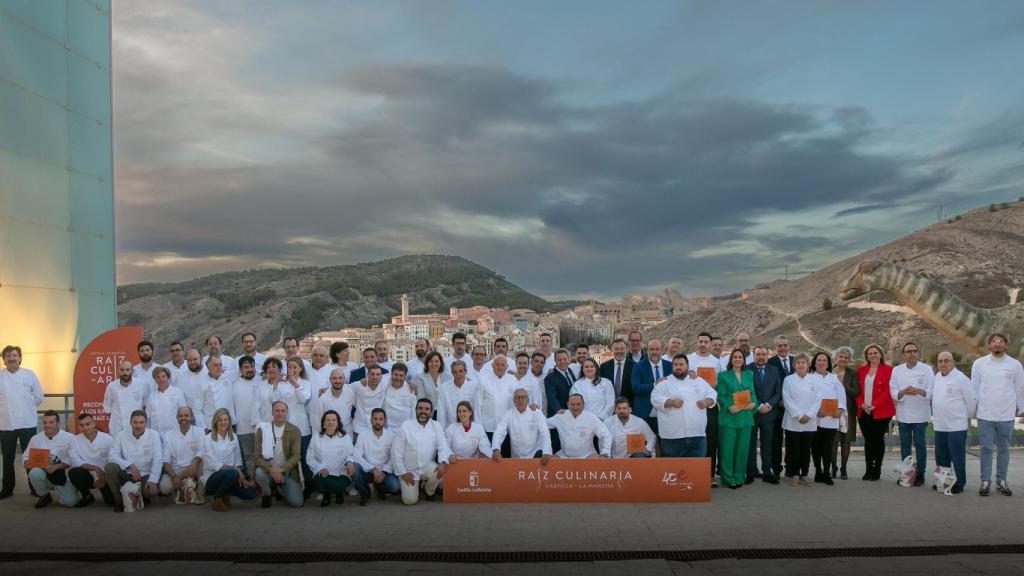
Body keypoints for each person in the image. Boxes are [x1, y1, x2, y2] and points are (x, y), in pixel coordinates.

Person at [971, 333, 1024, 496]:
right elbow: (975, 388)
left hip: (1006, 415)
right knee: (986, 448)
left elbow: (1019, 388)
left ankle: (1001, 481)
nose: (997, 344)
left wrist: (1021, 409)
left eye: (1001, 342)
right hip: (985, 414)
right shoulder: (979, 364)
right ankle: (985, 481)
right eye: (994, 342)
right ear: (989, 345)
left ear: (1006, 345)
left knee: (1003, 449)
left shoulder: (1015, 365)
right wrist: (973, 409)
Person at [0, 344, 44, 499]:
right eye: (8, 356)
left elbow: (39, 396)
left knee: (31, 457)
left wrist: (26, 402)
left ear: (20, 358)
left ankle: (35, 487)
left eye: (14, 356)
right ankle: (7, 489)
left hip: (27, 422)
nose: (11, 359)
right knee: (7, 458)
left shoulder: (29, 375)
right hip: (6, 424)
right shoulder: (0, 375)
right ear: (4, 360)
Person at [651, 354, 716, 457]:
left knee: (696, 468)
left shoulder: (698, 381)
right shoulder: (665, 382)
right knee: (672, 470)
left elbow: (712, 394)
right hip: (672, 436)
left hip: (697, 435)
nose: (678, 367)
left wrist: (706, 402)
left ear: (687, 366)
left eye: (681, 364)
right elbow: (654, 398)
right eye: (675, 364)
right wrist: (670, 402)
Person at [932, 351, 977, 494]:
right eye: (940, 361)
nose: (943, 364)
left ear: (953, 362)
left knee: (957, 456)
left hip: (956, 426)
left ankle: (959, 483)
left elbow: (971, 402)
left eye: (946, 360)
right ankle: (944, 480)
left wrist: (965, 417)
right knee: (941, 455)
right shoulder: (937, 377)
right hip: (940, 425)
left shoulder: (961, 379)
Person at [890, 341, 933, 486]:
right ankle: (907, 472)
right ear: (903, 355)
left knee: (920, 445)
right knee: (905, 445)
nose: (912, 353)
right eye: (908, 351)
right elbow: (893, 390)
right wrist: (902, 392)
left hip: (921, 414)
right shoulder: (897, 370)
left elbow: (931, 391)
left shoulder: (926, 369)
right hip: (903, 414)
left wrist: (919, 391)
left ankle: (920, 474)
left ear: (918, 353)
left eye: (914, 351)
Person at [393, 399, 451, 505]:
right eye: (420, 408)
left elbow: (443, 447)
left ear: (431, 411)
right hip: (408, 470)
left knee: (441, 471)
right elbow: (396, 452)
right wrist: (403, 473)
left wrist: (442, 462)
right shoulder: (405, 426)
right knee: (410, 501)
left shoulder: (436, 426)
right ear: (415, 410)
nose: (423, 411)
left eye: (427, 409)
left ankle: (429, 491)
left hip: (426, 466)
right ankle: (414, 486)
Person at [105, 410, 163, 512]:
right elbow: (112, 456)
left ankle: (142, 496)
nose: (138, 425)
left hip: (145, 474)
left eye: (141, 422)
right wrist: (130, 465)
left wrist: (153, 480)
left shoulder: (154, 435)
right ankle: (119, 501)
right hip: (127, 474)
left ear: (146, 423)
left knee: (151, 493)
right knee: (110, 467)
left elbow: (158, 460)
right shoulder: (121, 435)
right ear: (130, 423)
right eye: (135, 422)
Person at [201, 408, 258, 512]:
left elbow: (238, 459)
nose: (223, 422)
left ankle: (224, 493)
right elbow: (212, 463)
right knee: (231, 474)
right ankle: (217, 498)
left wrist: (240, 471)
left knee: (251, 494)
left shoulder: (234, 437)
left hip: (232, 475)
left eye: (225, 419)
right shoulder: (208, 438)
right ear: (215, 422)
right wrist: (235, 471)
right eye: (220, 420)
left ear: (229, 421)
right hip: (212, 477)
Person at [717, 349, 757, 489]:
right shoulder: (723, 376)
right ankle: (728, 478)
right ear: (731, 359)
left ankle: (739, 476)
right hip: (729, 416)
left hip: (745, 416)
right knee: (727, 449)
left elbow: (752, 393)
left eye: (740, 357)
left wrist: (753, 404)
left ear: (744, 360)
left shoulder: (749, 374)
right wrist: (728, 406)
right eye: (735, 357)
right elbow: (721, 396)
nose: (738, 359)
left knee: (742, 449)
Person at [856, 343, 895, 481]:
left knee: (877, 440)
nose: (873, 355)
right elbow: (856, 390)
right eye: (870, 353)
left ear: (880, 355)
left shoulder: (889, 370)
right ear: (867, 356)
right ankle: (868, 469)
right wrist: (861, 404)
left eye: (875, 353)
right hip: (864, 411)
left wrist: (874, 405)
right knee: (868, 440)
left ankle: (877, 469)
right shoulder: (860, 370)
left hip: (882, 411)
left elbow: (888, 390)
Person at [254, 401, 303, 508]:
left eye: (282, 411)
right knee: (259, 472)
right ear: (272, 412)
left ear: (286, 413)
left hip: (286, 471)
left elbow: (296, 455)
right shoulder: (262, 430)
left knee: (297, 503)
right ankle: (266, 493)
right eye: (277, 411)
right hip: (268, 469)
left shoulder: (294, 430)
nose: (280, 413)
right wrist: (271, 469)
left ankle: (279, 488)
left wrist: (282, 469)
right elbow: (256, 457)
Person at [24, 410, 77, 508]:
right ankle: (44, 495)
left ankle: (69, 491)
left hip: (64, 477)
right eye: (45, 422)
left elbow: (75, 460)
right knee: (34, 472)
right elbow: (26, 457)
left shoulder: (70, 438)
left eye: (51, 422)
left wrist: (58, 466)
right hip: (44, 476)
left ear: (58, 423)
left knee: (71, 502)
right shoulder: (35, 439)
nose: (47, 425)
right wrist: (27, 462)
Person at [307, 410, 361, 507]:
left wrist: (349, 462)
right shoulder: (316, 438)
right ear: (323, 423)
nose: (330, 422)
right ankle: (327, 495)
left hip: (341, 473)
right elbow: (310, 458)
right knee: (320, 480)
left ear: (338, 423)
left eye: (333, 420)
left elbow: (351, 454)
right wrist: (320, 468)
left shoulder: (345, 437)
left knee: (340, 484)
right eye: (327, 420)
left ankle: (338, 492)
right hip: (324, 473)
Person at [689, 333, 721, 485]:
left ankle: (710, 475)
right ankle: (692, 473)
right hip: (691, 407)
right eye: (700, 341)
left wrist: (714, 386)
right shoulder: (688, 359)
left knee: (711, 440)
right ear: (697, 342)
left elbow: (720, 384)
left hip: (710, 406)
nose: (703, 344)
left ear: (710, 344)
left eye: (706, 342)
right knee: (692, 439)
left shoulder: (716, 362)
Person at [782, 355, 818, 487]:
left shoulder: (814, 380)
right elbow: (787, 399)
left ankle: (805, 474)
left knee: (806, 448)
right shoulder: (788, 380)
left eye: (804, 363)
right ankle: (795, 474)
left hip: (810, 420)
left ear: (808, 365)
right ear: (794, 365)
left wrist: (809, 415)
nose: (801, 365)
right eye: (798, 363)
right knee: (794, 448)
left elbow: (818, 399)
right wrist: (798, 415)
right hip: (793, 421)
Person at [810, 352, 846, 486]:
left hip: (831, 418)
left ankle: (826, 473)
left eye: (824, 360)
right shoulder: (810, 377)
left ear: (828, 363)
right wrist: (815, 411)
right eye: (819, 360)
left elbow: (841, 395)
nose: (821, 362)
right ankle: (818, 471)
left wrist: (841, 409)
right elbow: (807, 397)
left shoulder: (834, 378)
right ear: (814, 362)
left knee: (828, 447)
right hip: (815, 418)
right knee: (815, 447)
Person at [747, 346, 782, 484]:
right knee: (751, 444)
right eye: (758, 354)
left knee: (767, 444)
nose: (761, 357)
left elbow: (778, 390)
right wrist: (758, 405)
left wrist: (769, 404)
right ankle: (751, 472)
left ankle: (767, 472)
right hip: (753, 412)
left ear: (767, 356)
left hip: (769, 413)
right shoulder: (747, 369)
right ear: (753, 355)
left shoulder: (774, 370)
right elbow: (746, 390)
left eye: (763, 354)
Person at [67, 413, 116, 508]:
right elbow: (74, 460)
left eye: (88, 424)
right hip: (88, 474)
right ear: (78, 426)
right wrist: (95, 468)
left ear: (94, 423)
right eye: (81, 425)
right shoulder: (75, 440)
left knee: (111, 502)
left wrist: (103, 478)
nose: (85, 428)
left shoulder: (107, 439)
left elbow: (113, 459)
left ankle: (106, 489)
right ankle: (87, 495)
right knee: (74, 472)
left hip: (105, 475)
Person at [352, 408, 401, 500]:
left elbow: (393, 457)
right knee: (354, 466)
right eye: (375, 419)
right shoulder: (363, 435)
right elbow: (356, 455)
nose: (377, 422)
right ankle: (364, 491)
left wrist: (384, 472)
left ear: (384, 421)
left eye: (380, 419)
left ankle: (378, 487)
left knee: (395, 487)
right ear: (371, 420)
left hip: (384, 472)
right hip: (368, 470)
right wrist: (372, 469)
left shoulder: (391, 436)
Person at [159, 406, 205, 503]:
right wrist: (173, 476)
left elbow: (202, 450)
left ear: (192, 417)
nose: (183, 418)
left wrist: (195, 462)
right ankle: (185, 486)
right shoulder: (168, 435)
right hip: (177, 470)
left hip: (194, 467)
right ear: (177, 418)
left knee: (203, 462)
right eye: (181, 416)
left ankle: (199, 495)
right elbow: (166, 461)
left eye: (186, 415)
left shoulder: (199, 431)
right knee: (164, 487)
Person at [491, 389, 552, 462]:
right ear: (514, 401)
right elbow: (499, 432)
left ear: (528, 399)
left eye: (523, 397)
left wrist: (547, 452)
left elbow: (544, 432)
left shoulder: (536, 412)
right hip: (517, 456)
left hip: (536, 452)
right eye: (517, 397)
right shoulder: (508, 415)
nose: (520, 400)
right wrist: (496, 449)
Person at [233, 356, 269, 474]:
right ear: (240, 369)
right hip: (243, 428)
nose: (249, 369)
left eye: (252, 366)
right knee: (248, 458)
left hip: (262, 427)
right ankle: (252, 483)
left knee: (264, 456)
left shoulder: (262, 381)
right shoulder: (235, 385)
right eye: (246, 367)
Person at [546, 394, 612, 459]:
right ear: (567, 404)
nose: (575, 407)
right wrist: (536, 411)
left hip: (587, 456)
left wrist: (605, 453)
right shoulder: (560, 416)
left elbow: (606, 435)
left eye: (578, 404)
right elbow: (544, 424)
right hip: (564, 456)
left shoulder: (591, 417)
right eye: (572, 404)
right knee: (550, 462)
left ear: (583, 404)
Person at [767, 335, 795, 478]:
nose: (782, 348)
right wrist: (778, 401)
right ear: (775, 347)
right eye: (780, 345)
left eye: (785, 345)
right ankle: (776, 469)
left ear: (789, 346)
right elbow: (770, 385)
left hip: (794, 407)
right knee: (776, 439)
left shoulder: (796, 361)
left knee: (791, 439)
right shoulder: (770, 362)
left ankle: (790, 468)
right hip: (777, 406)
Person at [830, 347, 859, 480]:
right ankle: (833, 467)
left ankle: (843, 468)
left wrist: (842, 383)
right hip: (832, 411)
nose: (843, 359)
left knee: (846, 441)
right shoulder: (828, 372)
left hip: (848, 412)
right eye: (840, 357)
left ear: (849, 360)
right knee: (833, 441)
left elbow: (855, 392)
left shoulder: (853, 373)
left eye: (846, 357)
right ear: (835, 358)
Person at [629, 340, 671, 434]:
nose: (654, 352)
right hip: (645, 414)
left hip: (666, 414)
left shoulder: (670, 366)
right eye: (652, 349)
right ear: (647, 350)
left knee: (665, 447)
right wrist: (654, 384)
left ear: (662, 351)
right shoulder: (638, 366)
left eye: (657, 349)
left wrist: (691, 372)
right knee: (645, 446)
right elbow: (635, 388)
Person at [476, 355, 517, 450]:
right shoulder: (483, 380)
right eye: (497, 364)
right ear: (492, 365)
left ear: (506, 367)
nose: (500, 367)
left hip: (507, 428)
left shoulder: (513, 380)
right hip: (488, 427)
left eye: (502, 365)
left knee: (505, 459)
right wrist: (479, 429)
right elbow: (478, 405)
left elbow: (517, 401)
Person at [102, 359, 147, 439]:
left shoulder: (141, 384)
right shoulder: (111, 386)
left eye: (127, 370)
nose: (125, 373)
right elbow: (107, 407)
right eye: (122, 370)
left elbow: (146, 404)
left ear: (132, 371)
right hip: (117, 427)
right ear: (118, 371)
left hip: (136, 426)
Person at [347, 365, 388, 437]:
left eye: (378, 374)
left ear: (382, 376)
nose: (375, 377)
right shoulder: (359, 385)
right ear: (367, 375)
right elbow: (344, 388)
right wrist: (326, 390)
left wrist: (410, 383)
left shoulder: (384, 384)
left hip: (376, 427)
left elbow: (398, 374)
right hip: (359, 427)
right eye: (372, 374)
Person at [436, 360, 479, 429]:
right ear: (452, 373)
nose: (458, 374)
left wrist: (476, 428)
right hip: (450, 428)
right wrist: (441, 431)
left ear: (465, 371)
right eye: (455, 372)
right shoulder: (444, 388)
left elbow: (477, 410)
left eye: (460, 371)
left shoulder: (474, 386)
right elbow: (441, 411)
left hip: (469, 428)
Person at [145, 366, 187, 433]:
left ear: (168, 377)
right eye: (158, 377)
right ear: (155, 380)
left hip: (175, 432)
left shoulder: (178, 392)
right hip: (157, 434)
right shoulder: (151, 396)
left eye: (163, 376)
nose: (161, 379)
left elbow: (184, 412)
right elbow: (148, 418)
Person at [313, 368, 353, 438]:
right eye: (334, 378)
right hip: (329, 435)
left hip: (347, 433)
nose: (337, 381)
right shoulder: (323, 398)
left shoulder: (351, 391)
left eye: (340, 378)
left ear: (344, 379)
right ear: (330, 380)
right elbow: (317, 421)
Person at [200, 356, 235, 430]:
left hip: (229, 424)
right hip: (212, 424)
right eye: (215, 365)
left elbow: (243, 371)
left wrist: (262, 373)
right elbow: (199, 407)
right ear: (208, 367)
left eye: (220, 364)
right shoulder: (202, 383)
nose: (219, 367)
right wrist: (203, 426)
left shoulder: (229, 376)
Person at [176, 348, 206, 428]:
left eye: (195, 359)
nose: (192, 362)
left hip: (212, 420)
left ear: (201, 358)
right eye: (189, 360)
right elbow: (179, 400)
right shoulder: (180, 377)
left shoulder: (209, 373)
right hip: (192, 423)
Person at [383, 363, 418, 432]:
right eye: (396, 374)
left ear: (405, 376)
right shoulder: (384, 385)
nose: (398, 378)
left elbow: (414, 410)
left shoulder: (410, 388)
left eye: (401, 375)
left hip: (406, 430)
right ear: (391, 374)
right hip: (387, 430)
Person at [544, 349, 576, 417]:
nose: (562, 362)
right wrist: (558, 409)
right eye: (559, 360)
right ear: (555, 361)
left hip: (573, 412)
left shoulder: (570, 371)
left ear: (568, 359)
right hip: (560, 414)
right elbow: (551, 396)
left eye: (565, 359)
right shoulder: (550, 378)